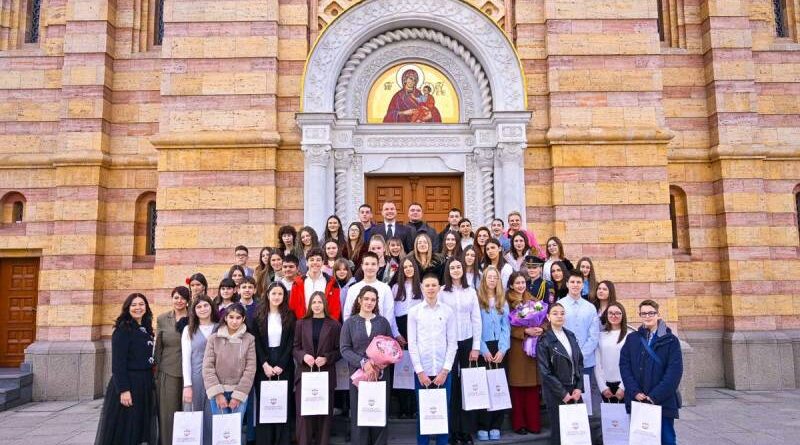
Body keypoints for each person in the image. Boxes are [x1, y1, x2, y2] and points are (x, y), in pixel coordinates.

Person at [95, 293, 158, 445]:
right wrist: (124, 390)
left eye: (141, 304)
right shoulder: (122, 330)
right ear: (127, 308)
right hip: (129, 384)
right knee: (127, 428)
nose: (138, 308)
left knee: (139, 428)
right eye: (134, 305)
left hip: (144, 383)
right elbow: (118, 364)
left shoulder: (145, 328)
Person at [619, 300, 683, 445]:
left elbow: (674, 373)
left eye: (651, 313)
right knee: (640, 439)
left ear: (658, 315)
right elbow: (624, 365)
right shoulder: (632, 338)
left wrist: (653, 397)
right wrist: (635, 391)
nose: (647, 316)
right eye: (644, 313)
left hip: (662, 401)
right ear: (640, 315)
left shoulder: (671, 340)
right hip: (638, 400)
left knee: (666, 439)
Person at [340, 286, 394, 445]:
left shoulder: (382, 322)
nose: (369, 302)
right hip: (358, 375)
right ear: (359, 300)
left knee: (379, 411)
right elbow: (344, 348)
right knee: (360, 412)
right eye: (366, 299)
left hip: (380, 374)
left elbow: (390, 346)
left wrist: (379, 364)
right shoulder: (350, 322)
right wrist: (363, 363)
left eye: (373, 300)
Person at [408, 273, 457, 445]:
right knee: (424, 411)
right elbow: (412, 343)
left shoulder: (447, 311)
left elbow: (452, 343)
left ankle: (443, 442)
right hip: (423, 372)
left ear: (439, 288)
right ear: (422, 287)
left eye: (434, 285)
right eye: (427, 285)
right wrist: (419, 371)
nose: (430, 288)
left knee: (443, 410)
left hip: (443, 372)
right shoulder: (414, 312)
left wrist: (445, 370)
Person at [438, 257, 481, 445]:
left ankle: (466, 431)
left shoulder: (471, 291)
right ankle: (452, 430)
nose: (455, 270)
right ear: (448, 270)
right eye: (452, 267)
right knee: (452, 385)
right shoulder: (441, 292)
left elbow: (476, 319)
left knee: (467, 385)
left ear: (463, 270)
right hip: (448, 343)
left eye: (458, 267)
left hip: (467, 341)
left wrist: (476, 346)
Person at [203, 303, 257, 445]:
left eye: (238, 317)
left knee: (234, 433)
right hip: (218, 393)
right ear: (225, 318)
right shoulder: (214, 339)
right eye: (231, 317)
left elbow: (250, 369)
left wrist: (238, 396)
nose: (234, 321)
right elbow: (208, 367)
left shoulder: (249, 339)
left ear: (243, 319)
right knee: (222, 432)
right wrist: (218, 394)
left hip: (239, 394)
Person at [250, 282, 296, 445]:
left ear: (284, 297)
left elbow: (291, 341)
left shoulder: (290, 315)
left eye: (280, 294)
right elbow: (255, 342)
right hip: (264, 363)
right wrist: (264, 364)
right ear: (268, 295)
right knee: (266, 404)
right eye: (274, 293)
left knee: (282, 403)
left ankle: (282, 440)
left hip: (284, 362)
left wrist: (282, 365)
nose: (277, 297)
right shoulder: (258, 316)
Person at [293, 291, 342, 445]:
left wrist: (327, 358)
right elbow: (295, 347)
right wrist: (303, 356)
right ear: (310, 304)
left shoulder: (334, 324)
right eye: (314, 302)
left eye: (320, 302)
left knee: (324, 415)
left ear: (325, 304)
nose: (316, 305)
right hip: (305, 374)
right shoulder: (301, 323)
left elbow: (340, 350)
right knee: (304, 416)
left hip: (325, 374)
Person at [536, 303, 584, 445]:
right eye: (555, 313)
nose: (559, 316)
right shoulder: (544, 340)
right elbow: (545, 372)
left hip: (574, 390)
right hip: (556, 392)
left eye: (562, 313)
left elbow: (579, 363)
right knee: (559, 432)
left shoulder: (570, 335)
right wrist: (562, 393)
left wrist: (578, 388)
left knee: (577, 431)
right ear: (548, 317)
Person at [557, 271, 601, 425]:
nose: (575, 285)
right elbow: (557, 331)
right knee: (567, 400)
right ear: (567, 284)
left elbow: (594, 335)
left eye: (578, 282)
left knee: (586, 400)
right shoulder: (560, 305)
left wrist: (580, 355)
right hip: (565, 362)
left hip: (586, 362)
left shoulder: (590, 308)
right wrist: (569, 355)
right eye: (572, 282)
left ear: (583, 285)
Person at [506, 271, 543, 436]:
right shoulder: (507, 301)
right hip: (517, 349)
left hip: (533, 349)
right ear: (512, 285)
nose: (521, 286)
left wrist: (540, 329)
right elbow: (507, 325)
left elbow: (545, 319)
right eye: (517, 283)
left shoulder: (534, 301)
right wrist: (524, 330)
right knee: (517, 388)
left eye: (523, 282)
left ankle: (533, 424)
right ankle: (519, 423)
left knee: (532, 389)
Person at [476, 266, 510, 441]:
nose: (492, 280)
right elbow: (476, 327)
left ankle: (496, 424)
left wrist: (503, 349)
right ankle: (483, 425)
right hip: (484, 347)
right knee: (484, 388)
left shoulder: (502, 301)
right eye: (489, 277)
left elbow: (506, 328)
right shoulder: (478, 300)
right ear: (484, 280)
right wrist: (483, 349)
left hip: (499, 348)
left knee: (498, 387)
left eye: (495, 277)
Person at [181, 295, 219, 445]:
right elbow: (186, 359)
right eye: (199, 307)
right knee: (195, 415)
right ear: (194, 311)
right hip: (196, 378)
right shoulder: (188, 330)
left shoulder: (219, 327)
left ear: (211, 307)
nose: (203, 309)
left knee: (213, 416)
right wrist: (187, 385)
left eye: (206, 305)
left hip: (216, 378)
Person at [154, 286, 190, 445]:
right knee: (168, 413)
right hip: (168, 370)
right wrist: (156, 372)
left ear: (188, 300)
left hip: (191, 371)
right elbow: (158, 346)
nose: (179, 301)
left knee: (188, 411)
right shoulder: (162, 319)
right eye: (176, 297)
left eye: (183, 297)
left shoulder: (194, 317)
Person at [390, 256, 423, 419]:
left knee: (417, 368)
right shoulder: (396, 288)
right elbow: (391, 314)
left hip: (418, 330)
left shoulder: (422, 287)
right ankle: (404, 408)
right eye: (405, 267)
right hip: (401, 329)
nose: (408, 269)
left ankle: (416, 407)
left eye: (411, 266)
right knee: (403, 369)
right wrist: (397, 334)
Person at [343, 252, 399, 341]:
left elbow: (389, 314)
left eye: (373, 264)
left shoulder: (385, 288)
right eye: (367, 264)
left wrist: (382, 335)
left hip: (379, 337)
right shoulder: (353, 289)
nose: (370, 267)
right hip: (357, 337)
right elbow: (347, 314)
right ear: (362, 266)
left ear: (377, 266)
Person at [594, 302, 633, 403]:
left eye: (617, 313)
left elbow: (633, 364)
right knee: (610, 418)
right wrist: (603, 387)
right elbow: (597, 364)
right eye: (610, 313)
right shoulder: (600, 336)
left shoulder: (630, 335)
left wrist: (623, 387)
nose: (613, 316)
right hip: (606, 386)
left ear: (622, 315)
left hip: (625, 385)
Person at [289, 248, 341, 320]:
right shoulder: (297, 282)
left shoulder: (331, 282)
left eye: (318, 260)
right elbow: (293, 306)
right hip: (303, 324)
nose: (315, 262)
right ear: (307, 263)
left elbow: (336, 308)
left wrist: (330, 326)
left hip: (325, 325)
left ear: (323, 262)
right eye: (312, 260)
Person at [326, 258, 356, 323]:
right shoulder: (331, 285)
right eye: (339, 270)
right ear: (335, 271)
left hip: (349, 321)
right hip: (334, 321)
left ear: (348, 271)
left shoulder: (353, 285)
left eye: (344, 269)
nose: (342, 272)